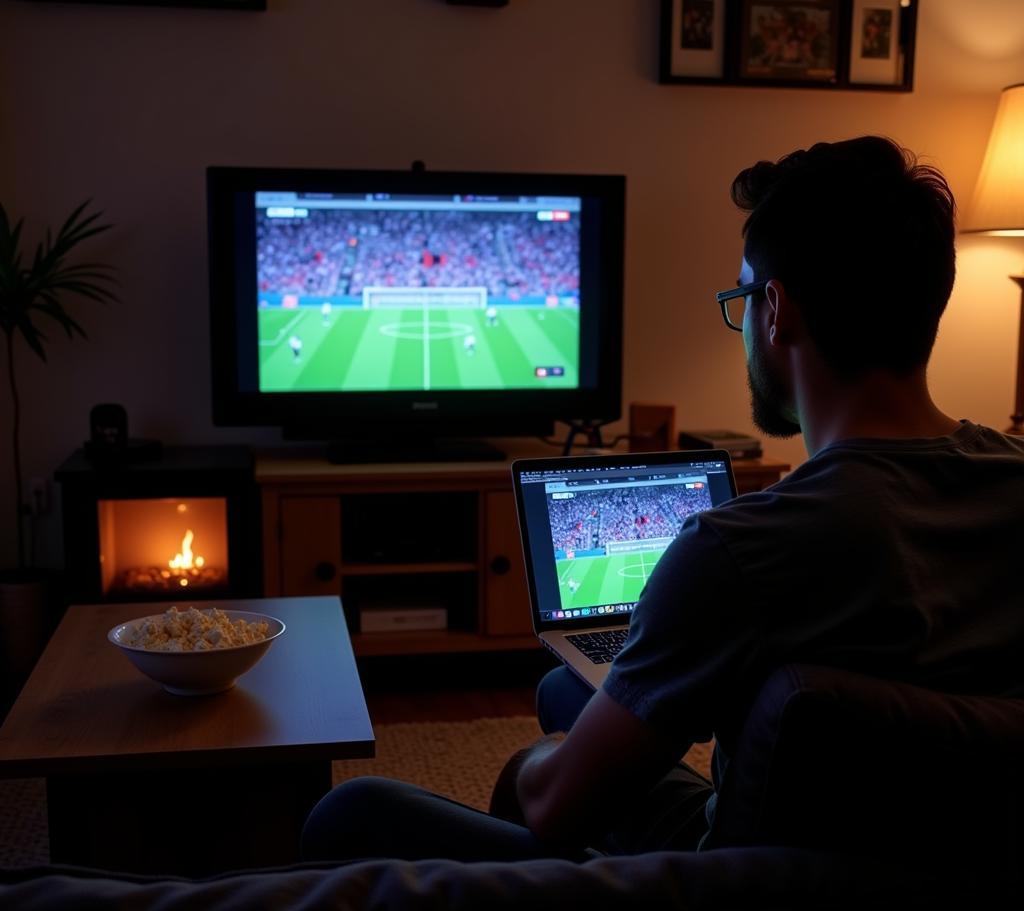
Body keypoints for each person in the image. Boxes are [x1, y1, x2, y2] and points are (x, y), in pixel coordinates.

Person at [301, 136, 1024, 863]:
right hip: (954, 888)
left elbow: (554, 809)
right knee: (566, 687)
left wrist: (531, 767)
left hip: (726, 899)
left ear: (776, 311)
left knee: (359, 809)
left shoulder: (741, 548)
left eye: (741, 297)